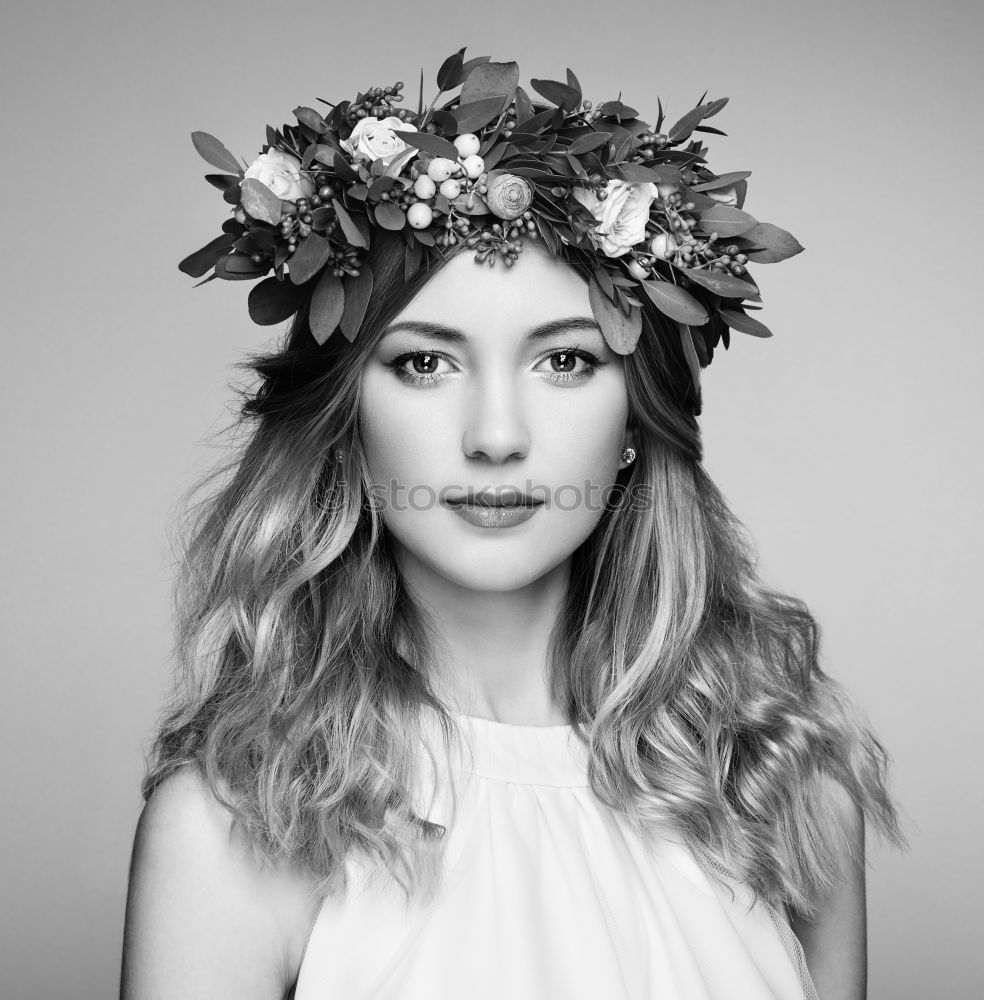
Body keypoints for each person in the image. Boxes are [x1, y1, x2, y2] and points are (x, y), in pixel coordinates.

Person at [120, 53, 905, 1000]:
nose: (497, 437)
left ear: (634, 424)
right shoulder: (240, 827)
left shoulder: (784, 789)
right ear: (346, 424)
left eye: (566, 361)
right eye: (424, 365)